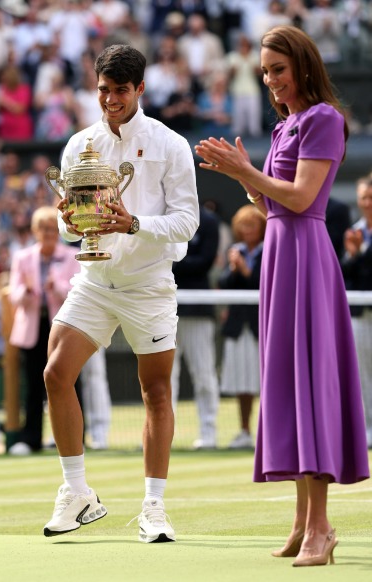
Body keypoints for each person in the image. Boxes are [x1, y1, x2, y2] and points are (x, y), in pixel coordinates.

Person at [195, 25, 369, 568]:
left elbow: (301, 198)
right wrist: (247, 180)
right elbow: (275, 205)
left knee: (309, 386)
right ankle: (302, 522)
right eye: (265, 73)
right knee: (291, 386)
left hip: (307, 259)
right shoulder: (285, 125)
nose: (270, 81)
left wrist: (247, 173)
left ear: (303, 67)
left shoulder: (323, 119)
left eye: (278, 70)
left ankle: (321, 528)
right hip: (281, 258)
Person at [43, 44, 199, 542]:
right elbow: (74, 231)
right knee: (55, 373)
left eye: (119, 91)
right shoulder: (78, 145)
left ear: (140, 91)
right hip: (94, 282)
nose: (109, 100)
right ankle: (78, 494)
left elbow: (187, 222)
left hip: (149, 284)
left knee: (155, 392)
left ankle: (154, 507)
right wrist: (71, 224)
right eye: (103, 90)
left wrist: (132, 223)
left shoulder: (170, 144)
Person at [7, 206, 80, 455]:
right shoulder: (22, 257)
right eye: (44, 229)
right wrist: (25, 292)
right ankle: (31, 439)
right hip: (33, 328)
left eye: (53, 228)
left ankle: (74, 439)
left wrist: (56, 286)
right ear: (35, 231)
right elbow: (14, 292)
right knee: (34, 385)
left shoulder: (71, 256)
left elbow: (77, 292)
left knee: (69, 382)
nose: (49, 233)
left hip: (63, 328)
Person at [171, 205, 220, 450]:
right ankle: (162, 435)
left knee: (203, 373)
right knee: (164, 376)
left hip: (197, 310)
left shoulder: (208, 220)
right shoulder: (160, 214)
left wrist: (172, 260)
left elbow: (205, 261)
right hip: (162, 307)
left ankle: (209, 433)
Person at [218, 205, 266, 450]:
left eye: (252, 225)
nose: (247, 230)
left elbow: (266, 282)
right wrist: (234, 269)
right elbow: (223, 282)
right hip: (238, 326)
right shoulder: (233, 250)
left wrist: (247, 270)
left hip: (263, 325)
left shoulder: (269, 250)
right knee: (241, 381)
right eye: (243, 225)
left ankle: (268, 432)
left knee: (265, 380)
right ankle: (245, 431)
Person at [341, 174, 372, 448]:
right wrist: (352, 254)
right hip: (361, 315)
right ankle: (367, 429)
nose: (367, 203)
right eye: (364, 197)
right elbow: (346, 274)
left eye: (371, 198)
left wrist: (362, 252)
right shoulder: (353, 231)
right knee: (362, 374)